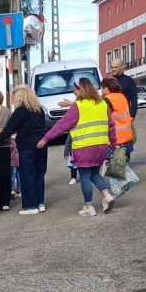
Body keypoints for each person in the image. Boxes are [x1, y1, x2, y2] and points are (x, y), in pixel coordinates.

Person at [38, 77, 117, 216]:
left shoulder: (78, 106)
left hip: (84, 147)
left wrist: (46, 138)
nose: (74, 91)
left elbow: (63, 124)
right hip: (101, 146)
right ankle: (107, 195)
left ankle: (88, 207)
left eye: (76, 88)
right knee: (94, 174)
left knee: (85, 176)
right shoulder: (102, 104)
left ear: (82, 89)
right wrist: (114, 143)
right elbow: (111, 126)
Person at [0, 84, 48, 216]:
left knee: (27, 175)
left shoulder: (20, 111)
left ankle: (30, 206)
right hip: (41, 145)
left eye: (13, 96)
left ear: (19, 96)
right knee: (39, 175)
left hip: (27, 146)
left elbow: (8, 131)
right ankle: (40, 203)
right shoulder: (39, 109)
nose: (12, 98)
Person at [101, 77, 134, 159]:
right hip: (127, 140)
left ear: (107, 88)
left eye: (102, 87)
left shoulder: (107, 99)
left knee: (113, 170)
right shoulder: (122, 97)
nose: (101, 90)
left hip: (115, 142)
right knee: (124, 168)